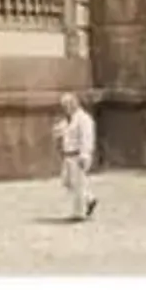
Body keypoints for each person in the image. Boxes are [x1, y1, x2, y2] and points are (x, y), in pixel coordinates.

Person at [53, 92, 98, 222]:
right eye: (64, 105)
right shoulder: (67, 119)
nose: (66, 107)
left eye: (68, 104)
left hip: (78, 155)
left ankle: (80, 212)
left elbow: (87, 138)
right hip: (68, 155)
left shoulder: (84, 119)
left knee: (78, 184)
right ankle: (89, 199)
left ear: (75, 103)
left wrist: (85, 155)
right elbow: (60, 132)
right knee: (67, 181)